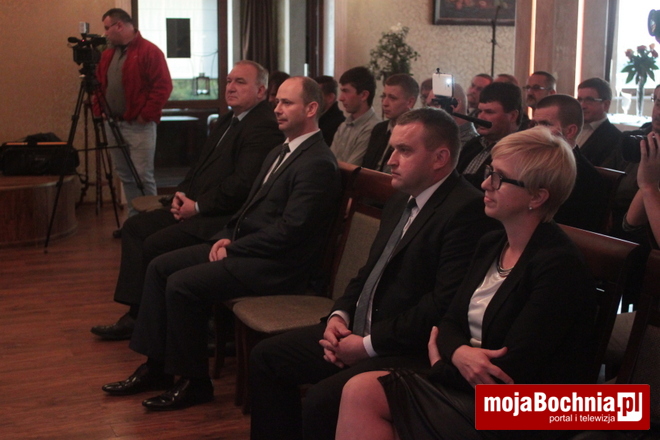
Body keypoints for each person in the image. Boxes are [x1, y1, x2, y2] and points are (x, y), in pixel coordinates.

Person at [249, 108, 499, 440]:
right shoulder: (400, 199)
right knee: (268, 357)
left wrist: (366, 345)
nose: (391, 160)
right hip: (361, 330)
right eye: (393, 148)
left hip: (407, 349)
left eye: (404, 150)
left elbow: (440, 305)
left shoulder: (466, 211)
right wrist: (338, 317)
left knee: (323, 399)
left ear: (440, 158)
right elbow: (369, 272)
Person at [335, 127, 598, 440]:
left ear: (537, 197)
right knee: (361, 391)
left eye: (499, 178)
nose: (485, 183)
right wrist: (459, 352)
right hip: (467, 380)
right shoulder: (491, 243)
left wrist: (440, 362)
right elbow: (449, 321)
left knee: (363, 393)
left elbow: (509, 371)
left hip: (531, 408)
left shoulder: (558, 266)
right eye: (489, 172)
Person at [100, 76, 342, 411]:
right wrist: (227, 235)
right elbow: (250, 208)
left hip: (279, 267)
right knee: (159, 266)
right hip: (251, 249)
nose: (277, 108)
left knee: (182, 285)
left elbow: (292, 231)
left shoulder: (317, 162)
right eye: (276, 101)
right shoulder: (280, 150)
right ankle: (156, 369)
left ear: (312, 108)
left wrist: (235, 246)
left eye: (287, 103)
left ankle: (194, 383)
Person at [90, 60, 284, 341]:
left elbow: (242, 185)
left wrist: (198, 206)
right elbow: (199, 167)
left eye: (240, 82)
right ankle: (137, 313)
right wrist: (181, 196)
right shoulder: (228, 119)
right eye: (229, 81)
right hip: (199, 206)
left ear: (261, 91)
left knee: (155, 243)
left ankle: (154, 323)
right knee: (135, 228)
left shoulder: (263, 126)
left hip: (222, 218)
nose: (230, 87)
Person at [96, 8, 172, 219]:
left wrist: (145, 115)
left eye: (107, 28)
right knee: (126, 176)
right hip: (113, 124)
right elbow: (99, 85)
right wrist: (100, 111)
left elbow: (163, 86)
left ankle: (151, 221)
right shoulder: (108, 54)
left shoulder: (150, 51)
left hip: (139, 126)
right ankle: (134, 219)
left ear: (119, 26)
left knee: (142, 176)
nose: (105, 33)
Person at [532, 94, 609, 232]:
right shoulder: (531, 160)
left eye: (545, 124)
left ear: (570, 131)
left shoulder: (587, 178)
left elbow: (572, 232)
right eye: (535, 124)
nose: (535, 131)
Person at [457, 82, 522, 188]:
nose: (480, 117)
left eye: (489, 112)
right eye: (480, 111)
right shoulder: (473, 144)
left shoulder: (518, 152)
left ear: (512, 116)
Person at [361, 73, 419, 172]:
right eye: (383, 96)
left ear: (410, 102)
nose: (384, 103)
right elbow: (366, 167)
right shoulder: (379, 129)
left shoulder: (416, 134)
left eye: (392, 98)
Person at [330, 67, 381, 165]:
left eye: (346, 91)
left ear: (364, 95)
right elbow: (329, 161)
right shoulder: (343, 125)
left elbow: (352, 167)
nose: (341, 98)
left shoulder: (374, 128)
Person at [575, 77, 622, 168]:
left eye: (589, 100)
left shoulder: (615, 138)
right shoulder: (569, 128)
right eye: (579, 99)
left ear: (606, 105)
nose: (582, 105)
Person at [426, 83, 478, 147]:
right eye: (428, 106)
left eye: (436, 104)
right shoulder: (436, 136)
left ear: (455, 104)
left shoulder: (472, 144)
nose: (428, 111)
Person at [315, 75, 346, 146]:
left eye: (315, 95)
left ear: (330, 98)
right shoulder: (314, 119)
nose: (310, 100)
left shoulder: (338, 125)